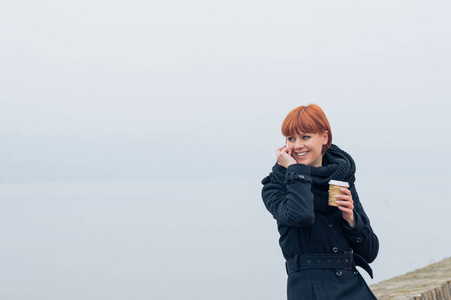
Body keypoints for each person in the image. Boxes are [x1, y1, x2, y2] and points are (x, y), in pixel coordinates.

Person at [261, 104, 379, 300]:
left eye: (305, 137)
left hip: (353, 287)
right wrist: (295, 171)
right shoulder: (276, 185)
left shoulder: (341, 177)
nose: (297, 145)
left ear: (324, 137)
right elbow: (301, 215)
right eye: (291, 138)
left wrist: (351, 219)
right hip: (310, 290)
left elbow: (370, 252)